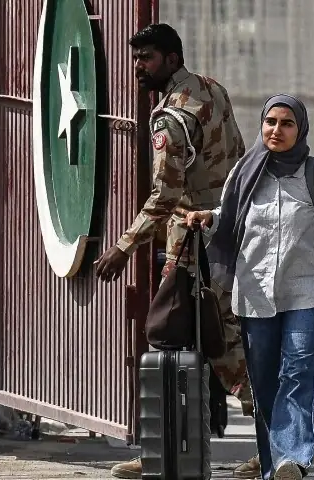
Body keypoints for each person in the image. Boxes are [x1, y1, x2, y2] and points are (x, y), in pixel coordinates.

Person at [92, 24, 250, 479]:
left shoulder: (170, 118)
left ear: (173, 59)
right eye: (137, 57)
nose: (139, 67)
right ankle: (263, 447)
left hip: (193, 238)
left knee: (176, 337)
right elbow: (236, 155)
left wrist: (123, 247)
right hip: (228, 229)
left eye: (148, 58)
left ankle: (163, 450)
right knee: (228, 338)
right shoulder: (211, 88)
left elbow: (165, 196)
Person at [186, 94, 314, 480]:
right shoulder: (245, 172)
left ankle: (293, 458)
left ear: (300, 130)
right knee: (265, 381)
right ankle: (275, 468)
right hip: (255, 292)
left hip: (309, 290)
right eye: (270, 122)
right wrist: (209, 219)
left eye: (287, 123)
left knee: (298, 371)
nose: (276, 130)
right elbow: (229, 215)